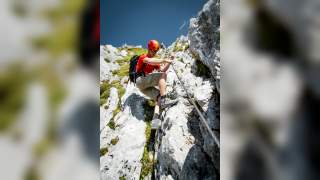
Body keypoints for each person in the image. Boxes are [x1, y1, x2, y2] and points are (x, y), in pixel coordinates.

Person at [135, 40, 178, 129]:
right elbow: (150, 61)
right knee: (162, 76)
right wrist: (163, 60)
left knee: (158, 99)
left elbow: (162, 70)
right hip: (140, 81)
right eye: (153, 50)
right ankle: (165, 100)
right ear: (149, 49)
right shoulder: (143, 57)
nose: (155, 52)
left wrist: (170, 60)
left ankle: (154, 128)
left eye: (156, 51)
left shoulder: (155, 62)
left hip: (144, 87)